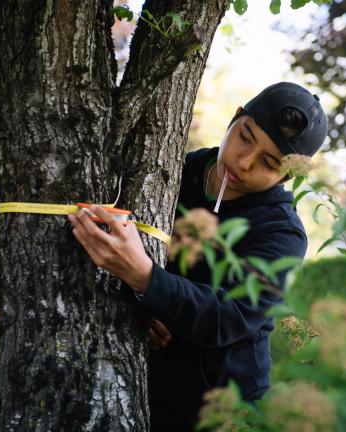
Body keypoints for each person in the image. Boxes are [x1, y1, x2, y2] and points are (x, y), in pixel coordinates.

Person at [67, 82, 328, 431]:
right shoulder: (170, 173)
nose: (243, 161)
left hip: (226, 411)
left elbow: (228, 315)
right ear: (236, 118)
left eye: (268, 162)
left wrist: (147, 279)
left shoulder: (282, 234)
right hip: (142, 393)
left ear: (288, 175)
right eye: (245, 137)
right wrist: (140, 305)